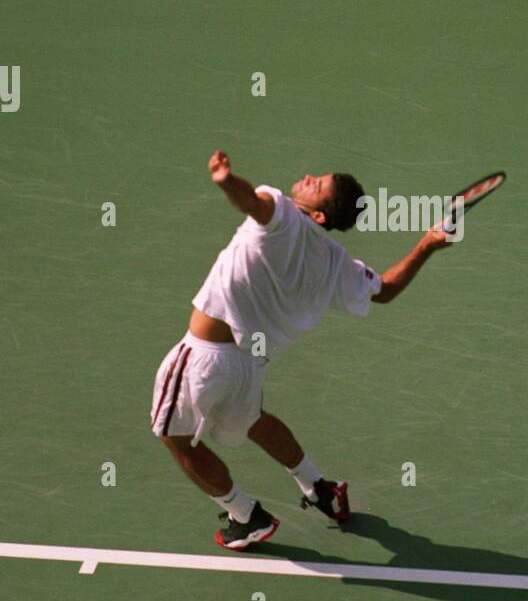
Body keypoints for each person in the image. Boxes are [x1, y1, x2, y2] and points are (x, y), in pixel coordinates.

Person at [150, 150, 453, 550]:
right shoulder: (333, 262)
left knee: (174, 437)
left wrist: (227, 180)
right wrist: (427, 244)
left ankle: (244, 515)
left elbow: (251, 203)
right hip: (249, 365)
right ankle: (318, 487)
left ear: (319, 215)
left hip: (204, 358)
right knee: (253, 419)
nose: (308, 177)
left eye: (317, 184)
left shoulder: (282, 214)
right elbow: (385, 290)